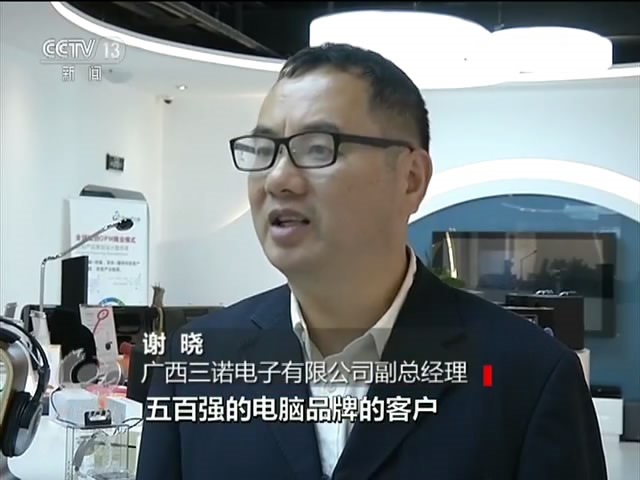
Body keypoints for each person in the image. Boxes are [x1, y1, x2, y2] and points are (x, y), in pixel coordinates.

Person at [136, 43, 607, 479]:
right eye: (263, 151)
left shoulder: (529, 377)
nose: (278, 179)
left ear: (411, 179)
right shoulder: (194, 364)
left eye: (318, 148)